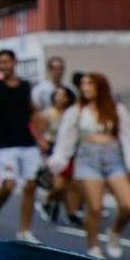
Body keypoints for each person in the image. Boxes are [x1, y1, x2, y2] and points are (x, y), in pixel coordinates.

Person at [47, 73, 130, 259]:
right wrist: (59, 159)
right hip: (87, 159)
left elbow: (128, 137)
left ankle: (115, 232)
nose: (85, 88)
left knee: (129, 205)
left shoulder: (116, 109)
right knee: (94, 206)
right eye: (83, 84)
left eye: (90, 84)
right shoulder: (76, 111)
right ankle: (93, 246)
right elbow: (66, 138)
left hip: (113, 158)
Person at [0, 49, 44, 242]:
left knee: (31, 185)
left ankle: (25, 230)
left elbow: (33, 112)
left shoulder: (25, 86)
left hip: (26, 141)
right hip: (5, 143)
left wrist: (40, 138)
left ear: (15, 62)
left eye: (6, 62)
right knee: (8, 184)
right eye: (0, 63)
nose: (3, 66)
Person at [37, 85, 83, 226]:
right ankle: (48, 200)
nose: (61, 97)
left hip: (71, 150)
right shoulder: (48, 114)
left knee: (72, 185)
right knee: (59, 185)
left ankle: (71, 212)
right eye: (58, 94)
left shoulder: (74, 113)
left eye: (64, 95)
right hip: (53, 150)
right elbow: (40, 134)